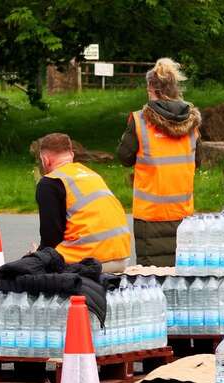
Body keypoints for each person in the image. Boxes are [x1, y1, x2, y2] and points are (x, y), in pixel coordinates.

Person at [117, 58, 201, 267]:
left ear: (150, 88)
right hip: (183, 214)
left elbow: (124, 157)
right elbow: (197, 161)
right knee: (181, 279)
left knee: (152, 281)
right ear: (175, 88)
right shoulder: (192, 123)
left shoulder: (140, 121)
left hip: (150, 216)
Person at [35, 133, 131, 272]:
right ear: (72, 155)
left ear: (45, 160)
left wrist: (37, 256)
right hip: (121, 257)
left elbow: (51, 239)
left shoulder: (50, 182)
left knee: (27, 268)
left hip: (88, 260)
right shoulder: (90, 174)